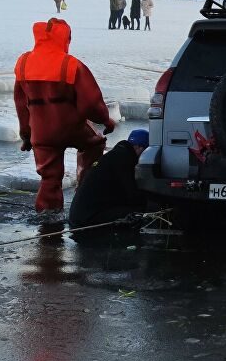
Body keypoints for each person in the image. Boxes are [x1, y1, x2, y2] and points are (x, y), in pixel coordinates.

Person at [13, 18, 116, 218]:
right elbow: (91, 103)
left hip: (42, 132)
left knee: (49, 177)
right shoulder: (71, 65)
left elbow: (21, 104)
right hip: (72, 127)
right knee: (94, 145)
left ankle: (48, 217)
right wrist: (106, 120)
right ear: (65, 38)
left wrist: (26, 135)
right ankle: (84, 195)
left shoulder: (24, 63)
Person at [69, 129, 149, 236]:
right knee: (140, 211)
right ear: (139, 147)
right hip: (85, 221)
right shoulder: (124, 159)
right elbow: (132, 196)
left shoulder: (115, 155)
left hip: (78, 215)